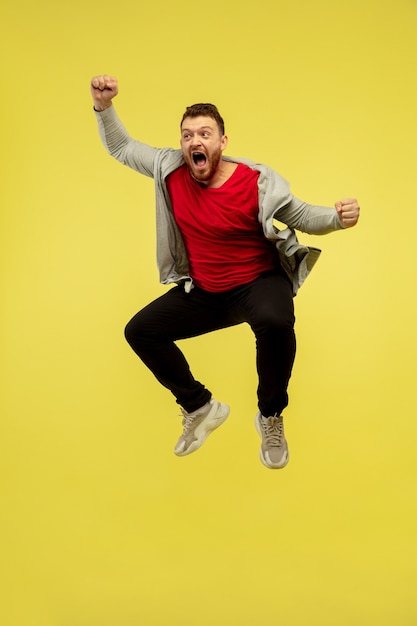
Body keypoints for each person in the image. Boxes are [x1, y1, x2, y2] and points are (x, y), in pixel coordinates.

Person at [90, 74, 360, 470]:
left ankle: (270, 415)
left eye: (204, 133)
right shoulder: (169, 168)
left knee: (275, 321)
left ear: (221, 142)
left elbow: (301, 215)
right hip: (206, 291)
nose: (194, 141)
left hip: (257, 283)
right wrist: (103, 106)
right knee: (141, 331)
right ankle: (200, 407)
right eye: (187, 135)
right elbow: (121, 146)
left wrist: (336, 218)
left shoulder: (256, 182)